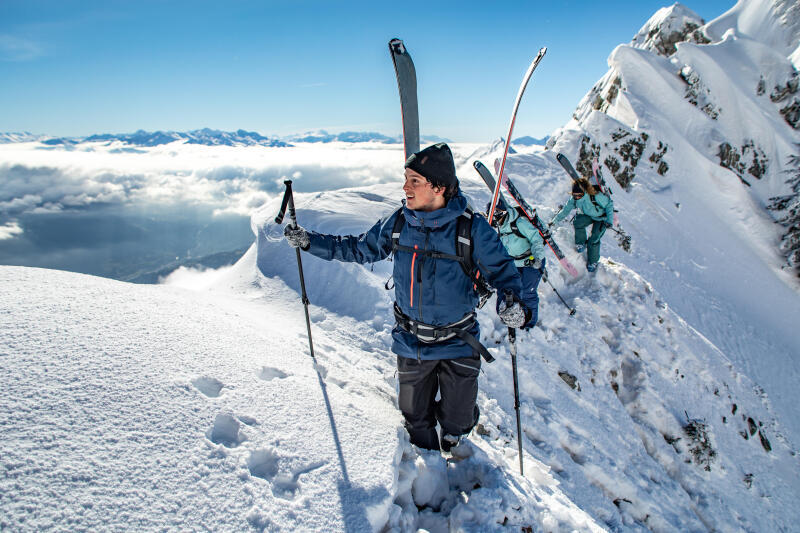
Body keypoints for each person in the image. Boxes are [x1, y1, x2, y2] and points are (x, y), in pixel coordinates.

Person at [283, 143, 528, 452]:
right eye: (406, 178)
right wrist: (309, 242)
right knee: (415, 422)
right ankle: (428, 472)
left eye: (415, 180)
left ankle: (456, 434)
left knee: (458, 420)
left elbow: (505, 274)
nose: (405, 187)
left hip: (459, 342)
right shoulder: (399, 222)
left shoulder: (471, 229)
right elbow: (359, 248)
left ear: (438, 187)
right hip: (411, 343)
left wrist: (517, 304)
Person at [489, 201, 546, 330]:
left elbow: (536, 238)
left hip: (530, 262)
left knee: (527, 292)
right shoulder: (496, 228)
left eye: (497, 213)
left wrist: (538, 257)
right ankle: (512, 318)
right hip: (513, 263)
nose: (494, 217)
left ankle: (529, 323)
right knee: (509, 291)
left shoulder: (518, 223)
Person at [549, 178, 614, 272]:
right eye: (574, 195)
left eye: (579, 195)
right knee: (578, 222)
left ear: (585, 191)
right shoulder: (574, 199)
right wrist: (554, 221)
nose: (577, 197)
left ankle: (593, 261)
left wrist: (609, 220)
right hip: (589, 215)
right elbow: (566, 210)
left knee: (594, 239)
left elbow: (609, 205)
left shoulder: (595, 195)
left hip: (601, 217)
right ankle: (581, 243)